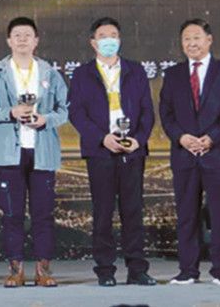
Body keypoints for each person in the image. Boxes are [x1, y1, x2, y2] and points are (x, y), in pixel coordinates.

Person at [0, 16, 69, 288]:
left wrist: (45, 119)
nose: (22, 40)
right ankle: (15, 270)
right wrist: (10, 112)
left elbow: (64, 110)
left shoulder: (50, 73)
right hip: (8, 153)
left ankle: (43, 270)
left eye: (27, 35)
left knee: (43, 214)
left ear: (36, 40)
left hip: (42, 152)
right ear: (9, 40)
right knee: (12, 214)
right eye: (17, 35)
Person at [68, 17, 157, 287]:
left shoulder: (135, 71)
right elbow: (77, 113)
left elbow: (147, 111)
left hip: (132, 150)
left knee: (133, 211)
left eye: (113, 35)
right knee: (103, 212)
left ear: (120, 40)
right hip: (100, 151)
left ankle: (137, 269)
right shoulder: (82, 74)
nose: (109, 40)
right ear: (93, 43)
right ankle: (105, 270)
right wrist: (101, 138)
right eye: (103, 36)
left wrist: (138, 140)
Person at [160, 18, 220, 286]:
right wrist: (182, 138)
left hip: (219, 154)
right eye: (186, 39)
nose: (191, 43)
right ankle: (187, 271)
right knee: (187, 216)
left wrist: (211, 138)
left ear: (209, 40)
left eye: (196, 37)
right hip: (184, 154)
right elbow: (166, 113)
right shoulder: (173, 74)